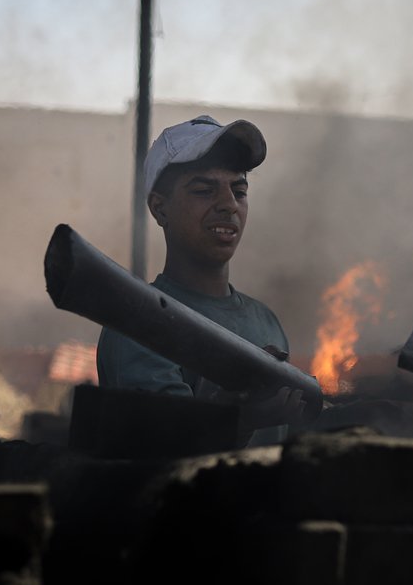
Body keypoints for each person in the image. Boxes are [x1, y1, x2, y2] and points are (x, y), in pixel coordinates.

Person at [96, 115, 304, 446]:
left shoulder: (265, 321)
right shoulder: (138, 324)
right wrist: (240, 419)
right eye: (204, 190)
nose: (228, 205)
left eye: (239, 191)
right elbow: (157, 455)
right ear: (159, 209)